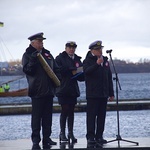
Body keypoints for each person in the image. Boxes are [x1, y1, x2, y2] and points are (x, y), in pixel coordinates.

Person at [22, 32, 59, 150]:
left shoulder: (47, 54)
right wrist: (33, 59)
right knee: (37, 117)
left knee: (48, 117)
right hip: (37, 91)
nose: (41, 43)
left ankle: (47, 138)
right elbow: (28, 70)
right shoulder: (27, 55)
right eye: (39, 41)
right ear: (33, 43)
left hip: (49, 90)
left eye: (42, 41)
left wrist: (57, 80)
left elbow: (56, 68)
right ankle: (36, 140)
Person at [83, 40, 114, 146]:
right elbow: (87, 72)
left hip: (103, 93)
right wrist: (97, 64)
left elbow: (108, 77)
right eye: (97, 49)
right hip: (93, 94)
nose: (100, 51)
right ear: (92, 50)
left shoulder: (105, 60)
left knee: (102, 116)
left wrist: (111, 93)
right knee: (91, 116)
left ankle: (99, 136)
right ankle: (90, 137)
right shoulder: (87, 60)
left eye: (101, 49)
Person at [55, 41, 84, 143]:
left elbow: (81, 73)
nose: (71, 49)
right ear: (66, 48)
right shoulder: (60, 58)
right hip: (63, 88)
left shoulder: (77, 59)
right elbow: (58, 70)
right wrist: (71, 69)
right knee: (65, 110)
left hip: (72, 89)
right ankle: (62, 133)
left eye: (73, 48)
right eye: (69, 48)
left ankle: (70, 132)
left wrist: (80, 73)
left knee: (71, 111)